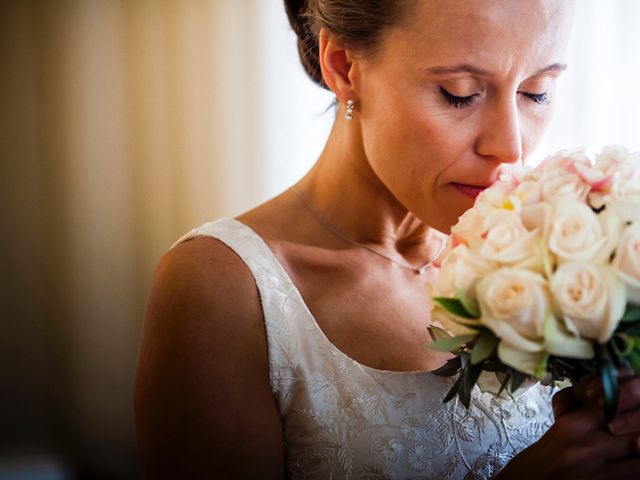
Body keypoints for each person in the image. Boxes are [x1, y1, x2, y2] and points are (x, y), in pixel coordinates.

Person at [134, 0, 640, 478]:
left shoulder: (562, 251)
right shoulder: (224, 290)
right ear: (344, 66)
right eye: (460, 92)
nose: (510, 146)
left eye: (537, 92)